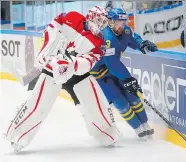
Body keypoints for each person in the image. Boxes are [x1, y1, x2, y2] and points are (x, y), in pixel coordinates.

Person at [5, 7, 121, 152]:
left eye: (104, 22)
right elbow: (53, 27)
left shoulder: (99, 42)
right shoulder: (73, 17)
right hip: (53, 69)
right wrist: (47, 50)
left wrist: (72, 65)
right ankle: (18, 135)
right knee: (38, 104)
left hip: (77, 73)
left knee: (96, 103)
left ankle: (107, 133)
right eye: (99, 21)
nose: (101, 25)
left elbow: (90, 61)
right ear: (91, 17)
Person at [90, 8, 158, 139]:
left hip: (115, 70)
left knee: (133, 95)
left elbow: (132, 39)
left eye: (123, 22)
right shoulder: (107, 38)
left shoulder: (125, 30)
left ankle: (145, 124)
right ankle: (137, 127)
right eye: (118, 22)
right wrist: (128, 79)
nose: (121, 26)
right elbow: (111, 63)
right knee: (120, 102)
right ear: (110, 22)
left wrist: (141, 44)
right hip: (101, 75)